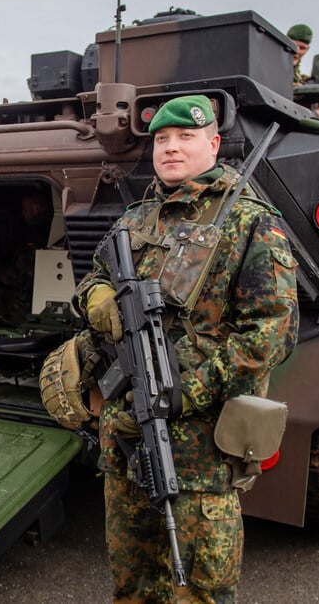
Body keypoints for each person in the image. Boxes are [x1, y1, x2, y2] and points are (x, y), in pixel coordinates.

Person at [73, 95, 298, 602]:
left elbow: (271, 335)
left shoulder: (249, 222)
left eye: (185, 137)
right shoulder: (134, 220)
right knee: (131, 583)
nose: (171, 148)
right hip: (126, 437)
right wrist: (99, 297)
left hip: (200, 453)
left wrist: (187, 391)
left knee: (200, 589)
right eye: (161, 139)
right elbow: (90, 279)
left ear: (213, 144)